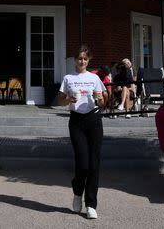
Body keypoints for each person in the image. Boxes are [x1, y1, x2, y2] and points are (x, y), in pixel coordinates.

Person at [58, 45, 106, 220]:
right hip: (76, 121)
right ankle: (78, 192)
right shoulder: (68, 78)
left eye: (85, 59)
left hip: (94, 120)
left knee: (94, 164)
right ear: (75, 60)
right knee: (83, 164)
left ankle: (91, 204)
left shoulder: (94, 78)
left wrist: (100, 99)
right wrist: (68, 99)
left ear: (89, 60)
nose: (82, 61)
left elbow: (103, 104)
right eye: (79, 58)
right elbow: (60, 101)